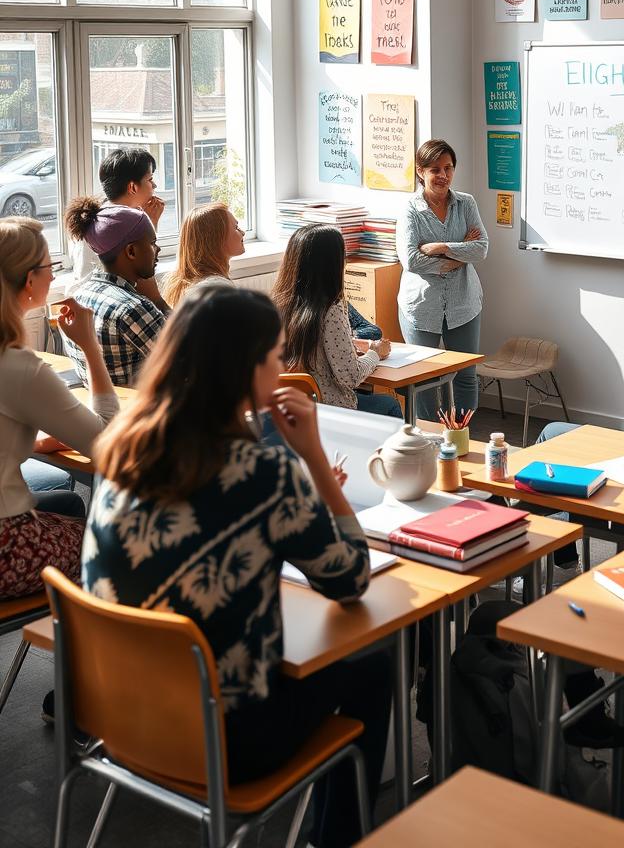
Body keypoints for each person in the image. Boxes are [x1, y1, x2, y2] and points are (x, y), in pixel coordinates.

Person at [83, 286, 390, 847]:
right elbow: (350, 578)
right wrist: (314, 458)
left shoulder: (118, 450)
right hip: (225, 740)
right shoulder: (265, 472)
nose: (282, 367)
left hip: (118, 714)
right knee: (372, 661)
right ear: (246, 370)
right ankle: (338, 837)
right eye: (275, 357)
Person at [0, 217, 118, 597]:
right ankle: (100, 646)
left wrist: (30, 442)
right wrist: (90, 347)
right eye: (51, 266)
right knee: (121, 542)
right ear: (30, 280)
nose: (55, 276)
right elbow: (108, 446)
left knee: (68, 502)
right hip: (6, 545)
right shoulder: (20, 367)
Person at [396, 139, 488, 418]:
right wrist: (459, 254)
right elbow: (411, 260)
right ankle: (431, 440)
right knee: (423, 378)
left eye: (448, 168)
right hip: (421, 306)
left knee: (466, 376)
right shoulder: (410, 210)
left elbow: (481, 248)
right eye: (435, 169)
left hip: (464, 304)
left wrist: (442, 247)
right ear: (420, 171)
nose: (443, 175)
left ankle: (463, 436)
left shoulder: (466, 203)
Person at [272, 225, 402, 417]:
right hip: (331, 409)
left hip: (293, 409)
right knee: (389, 404)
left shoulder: (277, 304)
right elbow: (350, 377)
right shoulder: (331, 310)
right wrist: (375, 353)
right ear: (331, 263)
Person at [63, 198, 166, 387]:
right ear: (131, 251)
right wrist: (157, 300)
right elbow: (188, 362)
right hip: (134, 411)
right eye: (152, 243)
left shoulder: (79, 297)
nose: (158, 249)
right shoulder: (133, 309)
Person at [66, 147, 168, 312]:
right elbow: (144, 277)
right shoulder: (107, 227)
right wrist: (150, 223)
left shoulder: (106, 217)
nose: (154, 185)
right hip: (101, 311)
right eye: (150, 179)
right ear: (132, 187)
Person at [163, 202, 245, 306]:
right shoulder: (219, 290)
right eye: (236, 227)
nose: (243, 232)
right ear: (216, 239)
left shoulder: (191, 283)